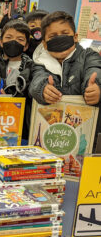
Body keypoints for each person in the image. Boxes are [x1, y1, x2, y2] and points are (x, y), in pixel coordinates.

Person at [29, 11, 101, 143]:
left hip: (85, 134)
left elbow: (94, 69)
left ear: (75, 37)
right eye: (53, 36)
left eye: (65, 34)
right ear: (44, 43)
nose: (59, 38)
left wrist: (96, 88)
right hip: (50, 135)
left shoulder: (89, 56)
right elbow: (37, 78)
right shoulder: (40, 62)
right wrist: (43, 88)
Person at [0, 20, 33, 141]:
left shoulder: (31, 66)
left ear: (26, 46)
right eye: (9, 37)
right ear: (1, 42)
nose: (14, 42)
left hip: (22, 122)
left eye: (20, 39)